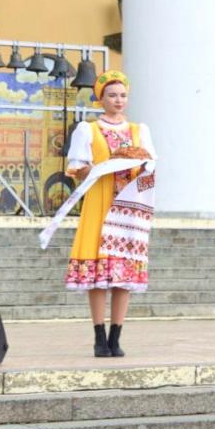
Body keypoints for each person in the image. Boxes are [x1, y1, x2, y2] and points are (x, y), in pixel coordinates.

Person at [64, 70, 155, 358]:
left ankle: (116, 336)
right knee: (98, 272)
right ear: (101, 98)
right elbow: (77, 169)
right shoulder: (87, 130)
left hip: (128, 205)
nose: (118, 100)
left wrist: (141, 169)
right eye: (112, 95)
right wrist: (99, 168)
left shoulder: (139, 131)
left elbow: (150, 168)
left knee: (123, 272)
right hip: (100, 201)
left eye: (123, 95)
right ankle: (99, 336)